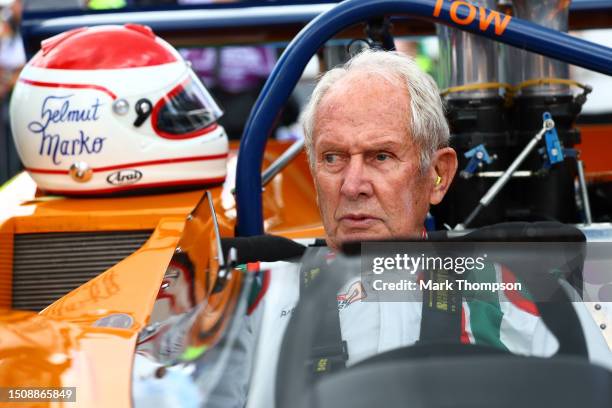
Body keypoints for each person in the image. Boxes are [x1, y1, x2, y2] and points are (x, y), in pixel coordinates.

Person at [244, 49, 612, 408]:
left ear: (438, 176)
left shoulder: (523, 295)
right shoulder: (256, 300)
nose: (352, 185)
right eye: (333, 158)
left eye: (381, 157)